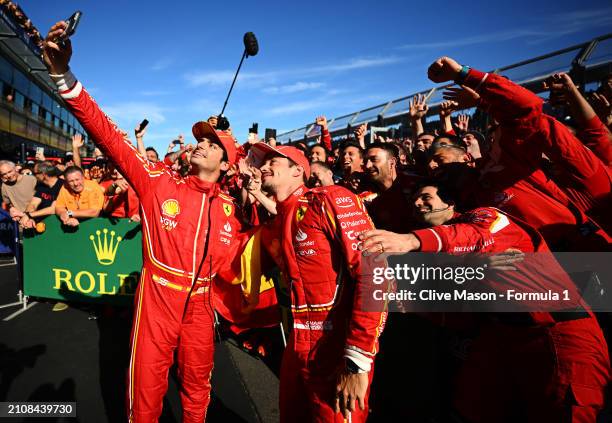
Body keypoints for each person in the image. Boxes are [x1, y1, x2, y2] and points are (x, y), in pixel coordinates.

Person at [43, 21, 250, 423]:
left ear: (225, 165)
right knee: (146, 384)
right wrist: (63, 75)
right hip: (159, 295)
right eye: (199, 139)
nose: (199, 145)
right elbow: (108, 134)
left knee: (197, 384)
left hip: (201, 305)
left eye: (210, 144)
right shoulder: (157, 180)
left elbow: (244, 253)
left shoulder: (230, 207)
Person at [359, 181, 610, 422]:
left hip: (559, 334)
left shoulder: (484, 217)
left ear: (450, 204)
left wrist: (411, 240)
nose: (417, 203)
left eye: (426, 197)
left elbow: (476, 237)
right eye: (413, 199)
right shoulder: (435, 259)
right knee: (470, 408)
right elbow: (462, 314)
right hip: (500, 338)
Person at [248, 142, 386, 422]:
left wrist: (357, 361)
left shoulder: (328, 198)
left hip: (335, 347)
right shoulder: (282, 217)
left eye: (273, 162)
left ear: (298, 170)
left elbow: (375, 273)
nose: (263, 167)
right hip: (296, 344)